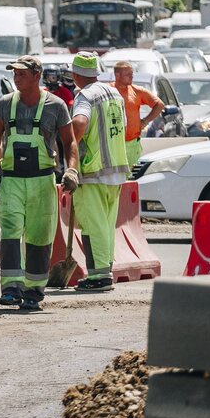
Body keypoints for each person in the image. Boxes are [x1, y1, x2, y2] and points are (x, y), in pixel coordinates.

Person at [0, 56, 78, 311]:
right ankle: (11, 288)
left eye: (21, 72)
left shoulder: (55, 106)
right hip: (11, 180)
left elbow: (70, 142)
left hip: (42, 180)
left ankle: (34, 290)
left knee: (39, 235)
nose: (16, 76)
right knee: (10, 232)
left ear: (36, 75)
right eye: (14, 72)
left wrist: (72, 170)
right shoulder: (5, 104)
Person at [68, 52, 130, 293]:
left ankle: (99, 276)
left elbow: (80, 122)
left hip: (92, 169)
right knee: (105, 224)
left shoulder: (85, 95)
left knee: (92, 225)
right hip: (115, 169)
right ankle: (106, 270)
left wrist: (70, 147)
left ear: (75, 75)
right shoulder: (114, 92)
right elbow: (122, 126)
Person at [113, 61, 164, 167]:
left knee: (131, 179)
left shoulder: (137, 91)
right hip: (112, 144)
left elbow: (159, 104)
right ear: (117, 75)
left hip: (132, 144)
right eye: (128, 74)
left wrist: (145, 121)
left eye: (132, 74)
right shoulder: (107, 90)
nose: (132, 77)